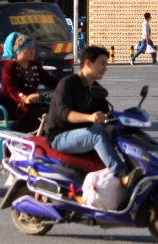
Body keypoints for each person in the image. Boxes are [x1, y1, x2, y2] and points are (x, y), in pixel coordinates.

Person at [45, 45, 140, 188]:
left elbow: (106, 114)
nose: (105, 68)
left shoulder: (97, 89)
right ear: (88, 63)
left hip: (83, 133)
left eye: (106, 64)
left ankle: (137, 169)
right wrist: (90, 118)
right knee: (97, 135)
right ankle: (121, 175)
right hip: (60, 136)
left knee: (117, 132)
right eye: (102, 63)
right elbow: (66, 115)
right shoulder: (67, 84)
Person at [0, 32, 59, 132]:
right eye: (29, 49)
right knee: (31, 111)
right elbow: (11, 89)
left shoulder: (34, 65)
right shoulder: (10, 67)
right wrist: (24, 98)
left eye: (33, 48)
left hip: (32, 103)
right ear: (19, 50)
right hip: (14, 105)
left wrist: (66, 84)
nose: (33, 52)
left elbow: (49, 80)